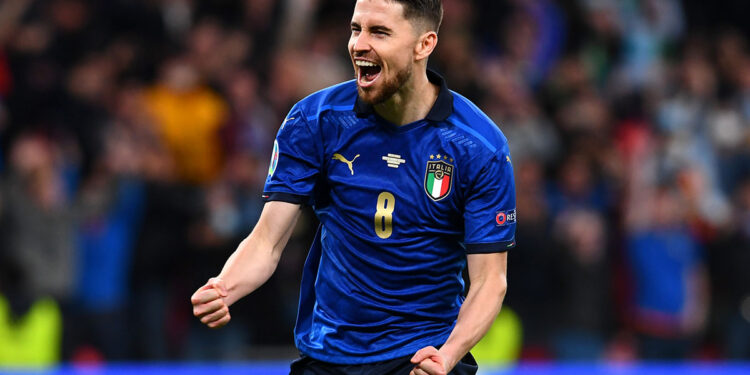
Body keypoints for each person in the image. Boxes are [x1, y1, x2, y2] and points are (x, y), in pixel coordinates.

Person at [191, 1, 516, 374]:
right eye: (355, 29)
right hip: (328, 356)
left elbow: (490, 282)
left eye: (379, 32)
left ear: (423, 45)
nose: (359, 44)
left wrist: (448, 355)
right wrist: (224, 287)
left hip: (421, 358)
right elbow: (267, 240)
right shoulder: (315, 120)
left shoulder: (479, 147)